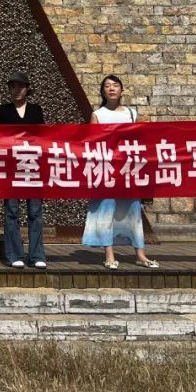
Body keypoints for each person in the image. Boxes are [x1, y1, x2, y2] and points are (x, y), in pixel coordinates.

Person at [81, 74, 158, 270]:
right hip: (107, 169)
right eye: (107, 86)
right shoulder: (98, 115)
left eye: (115, 85)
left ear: (121, 90)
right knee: (107, 210)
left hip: (127, 169)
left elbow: (139, 140)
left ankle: (140, 253)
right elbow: (92, 143)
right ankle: (109, 254)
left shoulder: (131, 113)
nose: (112, 88)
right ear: (103, 91)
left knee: (133, 211)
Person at [0, 71, 46, 269]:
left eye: (20, 86)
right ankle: (14, 254)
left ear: (27, 89)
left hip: (33, 166)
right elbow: (0, 138)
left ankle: (37, 255)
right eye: (13, 86)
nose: (16, 90)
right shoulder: (3, 110)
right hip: (11, 167)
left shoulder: (36, 110)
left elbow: (42, 137)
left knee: (35, 212)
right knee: (11, 211)